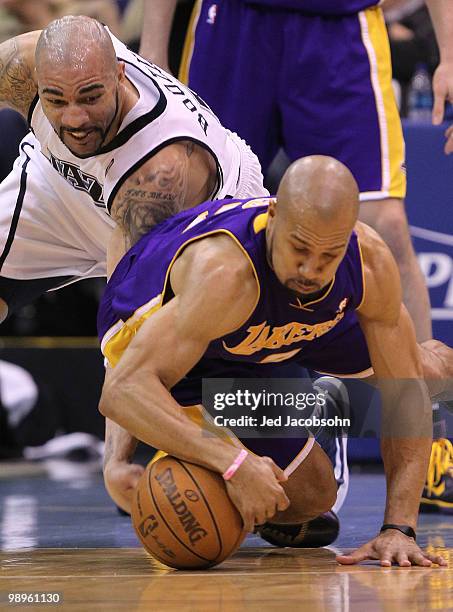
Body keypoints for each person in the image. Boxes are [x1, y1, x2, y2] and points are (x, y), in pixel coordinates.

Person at [139, 0, 453, 513]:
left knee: (388, 230)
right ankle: (177, 430)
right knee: (194, 226)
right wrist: (153, 50)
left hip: (338, 28)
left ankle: (430, 442)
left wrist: (450, 52)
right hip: (232, 23)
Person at [99, 156, 451, 566]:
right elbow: (122, 391)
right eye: (299, 248)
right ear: (273, 213)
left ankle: (311, 407)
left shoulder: (367, 260)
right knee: (311, 495)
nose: (311, 269)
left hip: (267, 327)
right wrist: (231, 464)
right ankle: (214, 449)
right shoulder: (225, 273)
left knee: (424, 373)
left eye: (329, 255)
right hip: (180, 346)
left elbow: (404, 399)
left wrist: (399, 529)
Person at [0, 15, 266, 323]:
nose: (75, 119)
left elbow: (129, 311)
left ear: (120, 76)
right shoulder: (21, 63)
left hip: (193, 221)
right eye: (56, 100)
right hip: (65, 183)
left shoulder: (162, 172)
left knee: (180, 346)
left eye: (90, 98)